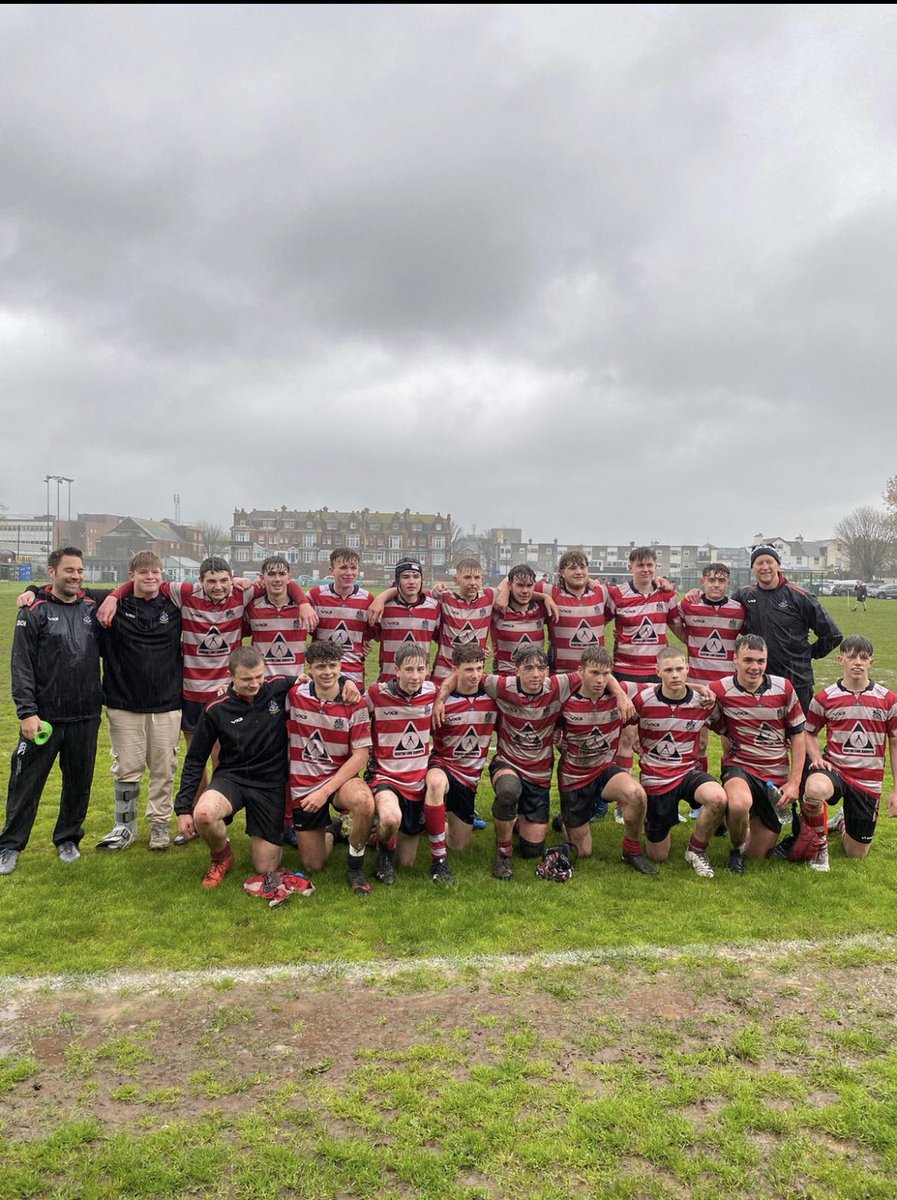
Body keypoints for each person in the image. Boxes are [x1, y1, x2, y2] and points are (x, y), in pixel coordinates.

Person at [99, 556, 315, 841]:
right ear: (201, 581)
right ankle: (192, 818)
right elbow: (146, 581)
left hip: (229, 695)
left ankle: (216, 814)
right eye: (211, 581)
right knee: (195, 758)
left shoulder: (243, 593)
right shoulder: (185, 592)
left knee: (221, 759)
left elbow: (281, 583)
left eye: (224, 580)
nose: (218, 586)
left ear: (232, 579)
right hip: (192, 693)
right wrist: (114, 596)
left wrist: (302, 601)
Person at [172, 646, 308, 902]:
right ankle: (221, 856)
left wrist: (346, 683)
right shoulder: (216, 708)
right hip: (232, 778)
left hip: (269, 784)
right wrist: (182, 808)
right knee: (203, 815)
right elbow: (195, 759)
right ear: (230, 675)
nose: (255, 683)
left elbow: (316, 680)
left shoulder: (277, 687)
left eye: (259, 676)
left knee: (265, 868)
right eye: (247, 679)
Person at [1, 548, 102, 875]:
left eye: (80, 571)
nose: (75, 576)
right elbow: (21, 666)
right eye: (69, 570)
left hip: (85, 715)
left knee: (79, 782)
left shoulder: (91, 606)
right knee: (26, 783)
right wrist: (27, 712)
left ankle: (68, 838)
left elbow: (127, 591)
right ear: (52, 572)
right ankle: (10, 845)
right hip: (42, 718)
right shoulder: (34, 610)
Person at [95, 551, 183, 852]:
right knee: (127, 768)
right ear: (131, 575)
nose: (150, 577)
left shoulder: (174, 605)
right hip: (123, 702)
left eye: (155, 572)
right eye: (143, 572)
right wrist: (30, 592)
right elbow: (68, 590)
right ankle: (124, 826)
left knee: (164, 768)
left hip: (167, 703)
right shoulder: (113, 603)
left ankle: (160, 825)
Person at [708, 635, 806, 871]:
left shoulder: (784, 688)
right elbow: (687, 699)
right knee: (740, 803)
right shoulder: (719, 688)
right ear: (735, 660)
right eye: (748, 660)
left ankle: (727, 818)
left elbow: (798, 736)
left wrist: (794, 783)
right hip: (741, 766)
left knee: (758, 855)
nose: (754, 667)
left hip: (774, 776)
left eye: (760, 661)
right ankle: (735, 848)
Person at [554, 647, 656, 874]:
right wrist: (555, 736)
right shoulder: (564, 697)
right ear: (580, 671)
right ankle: (564, 820)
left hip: (604, 769)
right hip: (574, 776)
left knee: (636, 795)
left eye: (605, 674)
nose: (600, 680)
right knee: (583, 852)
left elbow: (665, 687)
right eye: (594, 673)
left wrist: (702, 690)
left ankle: (631, 850)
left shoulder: (624, 690)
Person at [287, 640, 375, 894]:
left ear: (341, 667)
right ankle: (332, 831)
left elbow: (360, 756)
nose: (328, 672)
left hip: (339, 781)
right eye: (321, 667)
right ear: (309, 669)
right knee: (313, 865)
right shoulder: (295, 695)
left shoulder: (354, 702)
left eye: (333, 666)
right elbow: (260, 688)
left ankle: (355, 868)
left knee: (364, 802)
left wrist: (324, 791)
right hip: (304, 784)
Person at [631, 646, 727, 878]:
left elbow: (724, 726)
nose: (675, 675)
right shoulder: (643, 700)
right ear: (657, 671)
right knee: (658, 856)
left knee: (718, 799)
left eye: (679, 669)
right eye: (669, 670)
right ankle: (652, 820)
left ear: (687, 670)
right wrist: (634, 734)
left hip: (687, 773)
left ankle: (696, 849)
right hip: (656, 779)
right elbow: (622, 721)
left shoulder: (702, 702)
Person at [802, 635, 897, 867]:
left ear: (871, 663)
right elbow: (808, 732)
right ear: (840, 659)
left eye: (863, 658)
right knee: (814, 789)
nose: (857, 662)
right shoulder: (824, 698)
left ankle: (843, 822)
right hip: (836, 772)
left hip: (868, 782)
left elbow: (895, 743)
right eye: (852, 656)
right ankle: (820, 847)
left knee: (856, 854)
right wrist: (816, 758)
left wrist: (896, 789)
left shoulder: (889, 700)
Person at [729, 545, 842, 716]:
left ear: (778, 565)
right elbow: (722, 610)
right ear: (753, 568)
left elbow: (833, 634)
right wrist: (697, 596)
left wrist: (809, 653)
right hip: (758, 679)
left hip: (796, 679)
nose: (765, 567)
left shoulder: (800, 596)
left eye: (769, 562)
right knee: (764, 734)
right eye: (759, 563)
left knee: (800, 734)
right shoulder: (744, 595)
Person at [365, 642, 438, 884]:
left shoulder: (432, 692)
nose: (415, 676)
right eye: (408, 670)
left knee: (406, 863)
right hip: (386, 778)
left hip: (416, 783)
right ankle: (384, 852)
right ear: (396, 670)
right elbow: (352, 710)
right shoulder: (377, 694)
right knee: (391, 819)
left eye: (420, 669)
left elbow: (459, 680)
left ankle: (377, 836)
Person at [425, 643, 498, 860]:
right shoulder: (440, 701)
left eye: (479, 668)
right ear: (455, 669)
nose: (475, 675)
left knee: (459, 846)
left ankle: (437, 820)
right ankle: (438, 858)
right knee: (436, 783)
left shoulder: (493, 699)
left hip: (469, 779)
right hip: (444, 765)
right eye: (468, 669)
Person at [306, 548, 373, 688]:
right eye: (343, 568)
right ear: (331, 570)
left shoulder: (368, 599)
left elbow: (372, 632)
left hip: (354, 677)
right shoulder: (315, 596)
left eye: (353, 568)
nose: (349, 573)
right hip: (322, 675)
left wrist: (365, 641)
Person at [369, 557, 441, 683]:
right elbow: (371, 635)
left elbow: (443, 639)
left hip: (420, 682)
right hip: (389, 681)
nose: (412, 581)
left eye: (416, 576)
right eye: (406, 577)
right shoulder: (384, 607)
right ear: (397, 580)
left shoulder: (434, 607)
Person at [244, 556, 311, 679]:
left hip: (295, 683)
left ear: (289, 578)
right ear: (262, 578)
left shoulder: (305, 608)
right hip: (263, 684)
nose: (277, 579)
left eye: (282, 574)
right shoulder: (252, 607)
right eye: (271, 574)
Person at [491, 563, 547, 675]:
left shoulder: (541, 608)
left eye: (529, 585)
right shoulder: (497, 610)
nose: (525, 591)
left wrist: (546, 597)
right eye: (520, 585)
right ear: (510, 586)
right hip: (506, 681)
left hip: (535, 681)